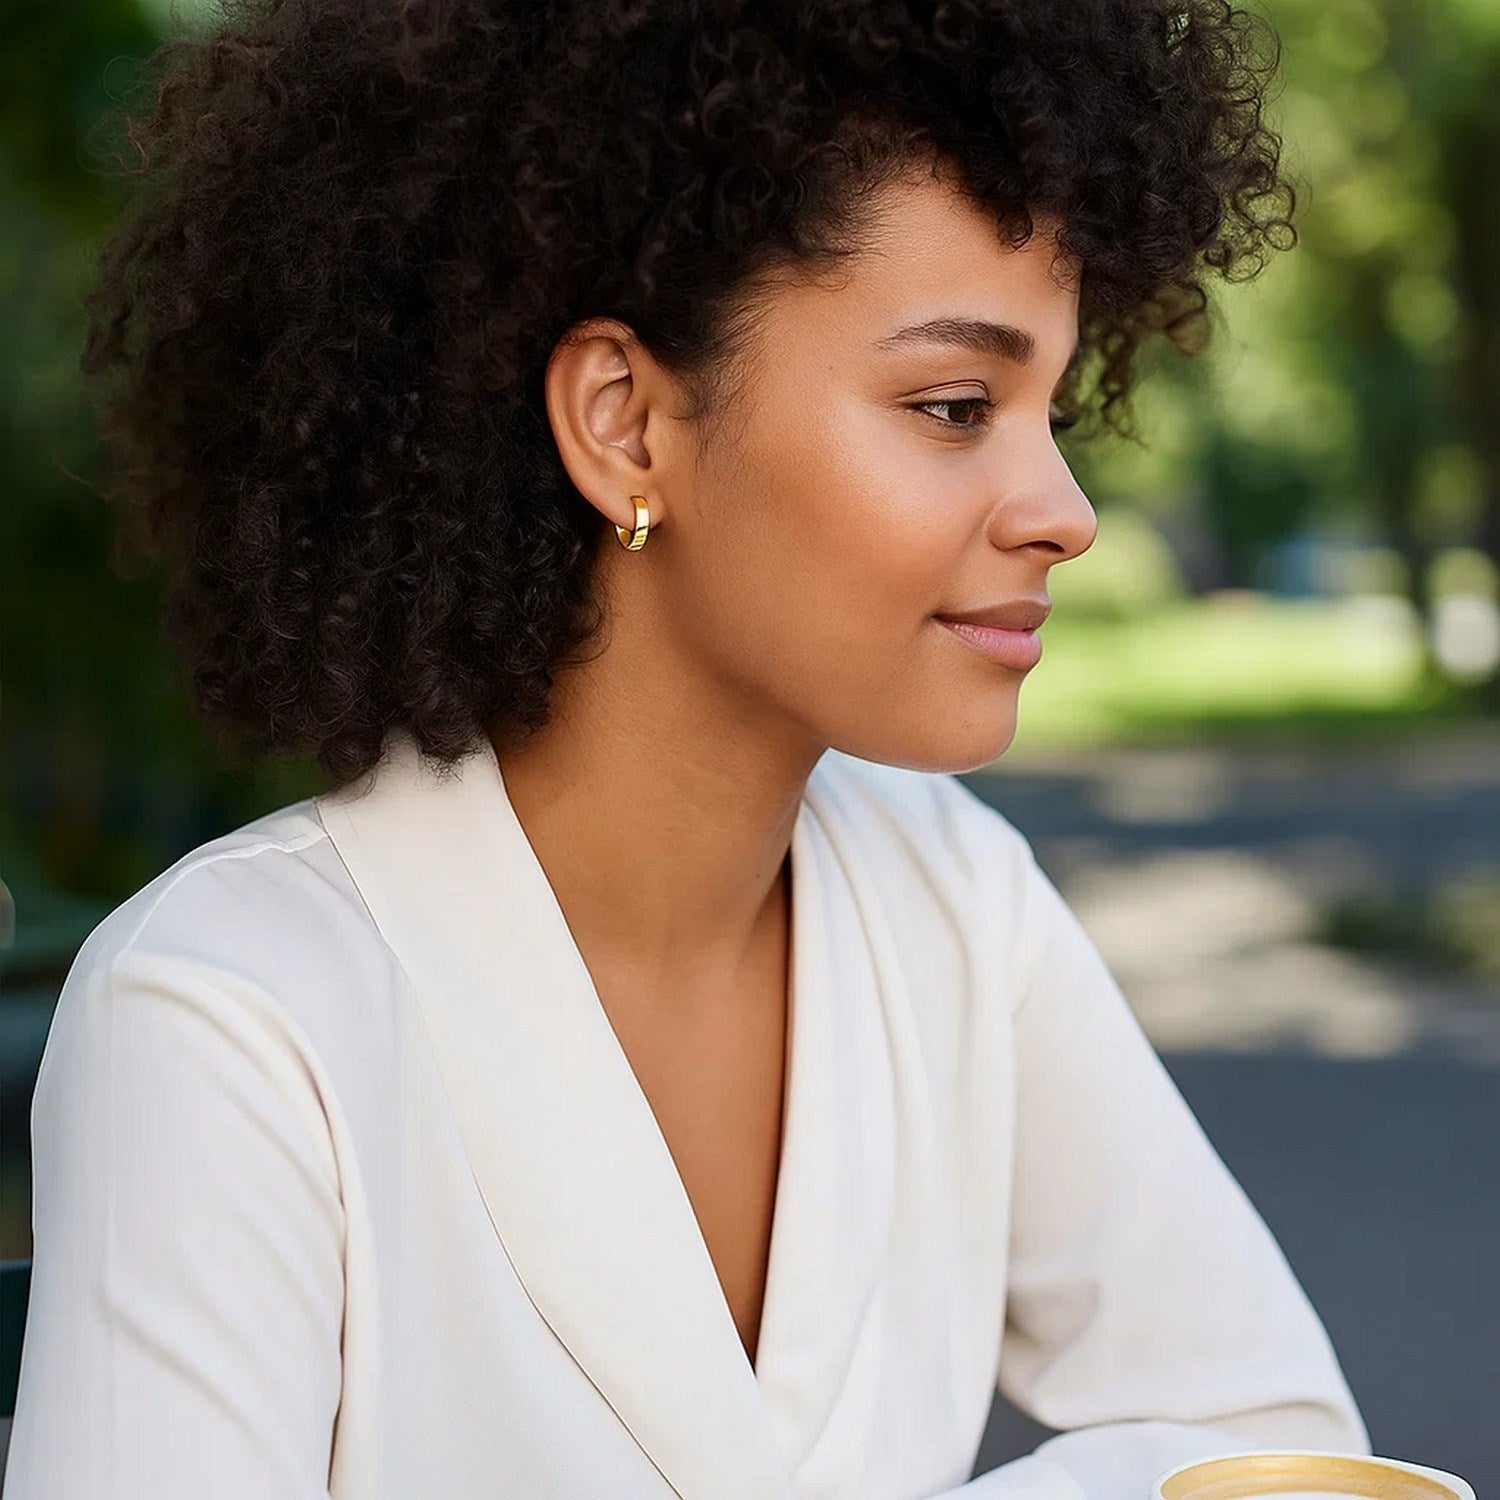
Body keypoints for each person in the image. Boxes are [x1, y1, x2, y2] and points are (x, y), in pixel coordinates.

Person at [5, 1, 1371, 1496]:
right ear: (626, 423)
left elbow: (1274, 1446)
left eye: (1052, 408)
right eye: (954, 405)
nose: (1063, 509)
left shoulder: (955, 907)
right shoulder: (229, 1016)